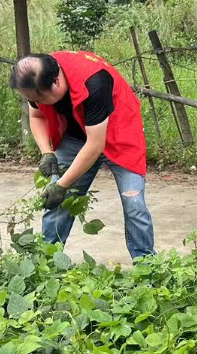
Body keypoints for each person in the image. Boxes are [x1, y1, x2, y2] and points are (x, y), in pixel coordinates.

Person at [10, 51, 155, 260]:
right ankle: (46, 262)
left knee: (134, 206)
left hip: (119, 133)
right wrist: (46, 152)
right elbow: (37, 115)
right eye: (32, 98)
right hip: (76, 134)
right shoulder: (35, 78)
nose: (37, 101)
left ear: (57, 81)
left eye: (40, 98)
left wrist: (62, 185)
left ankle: (147, 266)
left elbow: (95, 146)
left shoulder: (95, 82)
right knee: (57, 202)